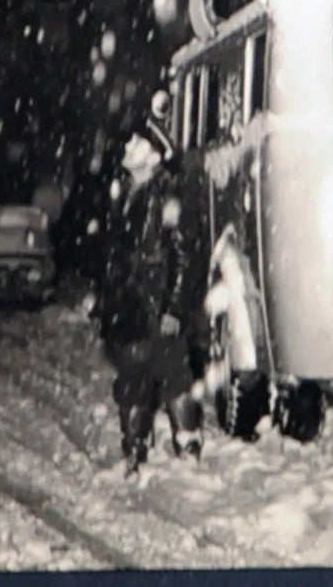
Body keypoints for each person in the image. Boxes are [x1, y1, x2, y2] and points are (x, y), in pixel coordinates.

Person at [95, 114, 203, 475]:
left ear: (155, 154)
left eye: (137, 142)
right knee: (132, 379)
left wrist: (173, 307)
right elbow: (117, 257)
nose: (127, 147)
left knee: (173, 377)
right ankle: (134, 451)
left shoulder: (167, 195)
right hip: (131, 309)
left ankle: (188, 449)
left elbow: (184, 257)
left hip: (157, 307)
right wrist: (105, 301)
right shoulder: (127, 193)